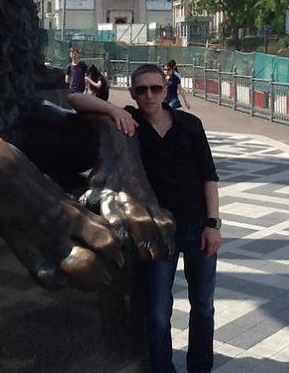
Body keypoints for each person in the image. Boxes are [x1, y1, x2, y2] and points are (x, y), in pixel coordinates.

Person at [68, 63, 222, 373]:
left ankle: (200, 368)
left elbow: (209, 177)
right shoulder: (131, 123)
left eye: (155, 88)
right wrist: (113, 109)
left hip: (197, 226)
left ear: (166, 90)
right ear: (133, 93)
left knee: (203, 307)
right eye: (141, 90)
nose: (149, 95)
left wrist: (213, 224)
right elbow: (74, 99)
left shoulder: (190, 125)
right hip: (158, 230)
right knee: (158, 313)